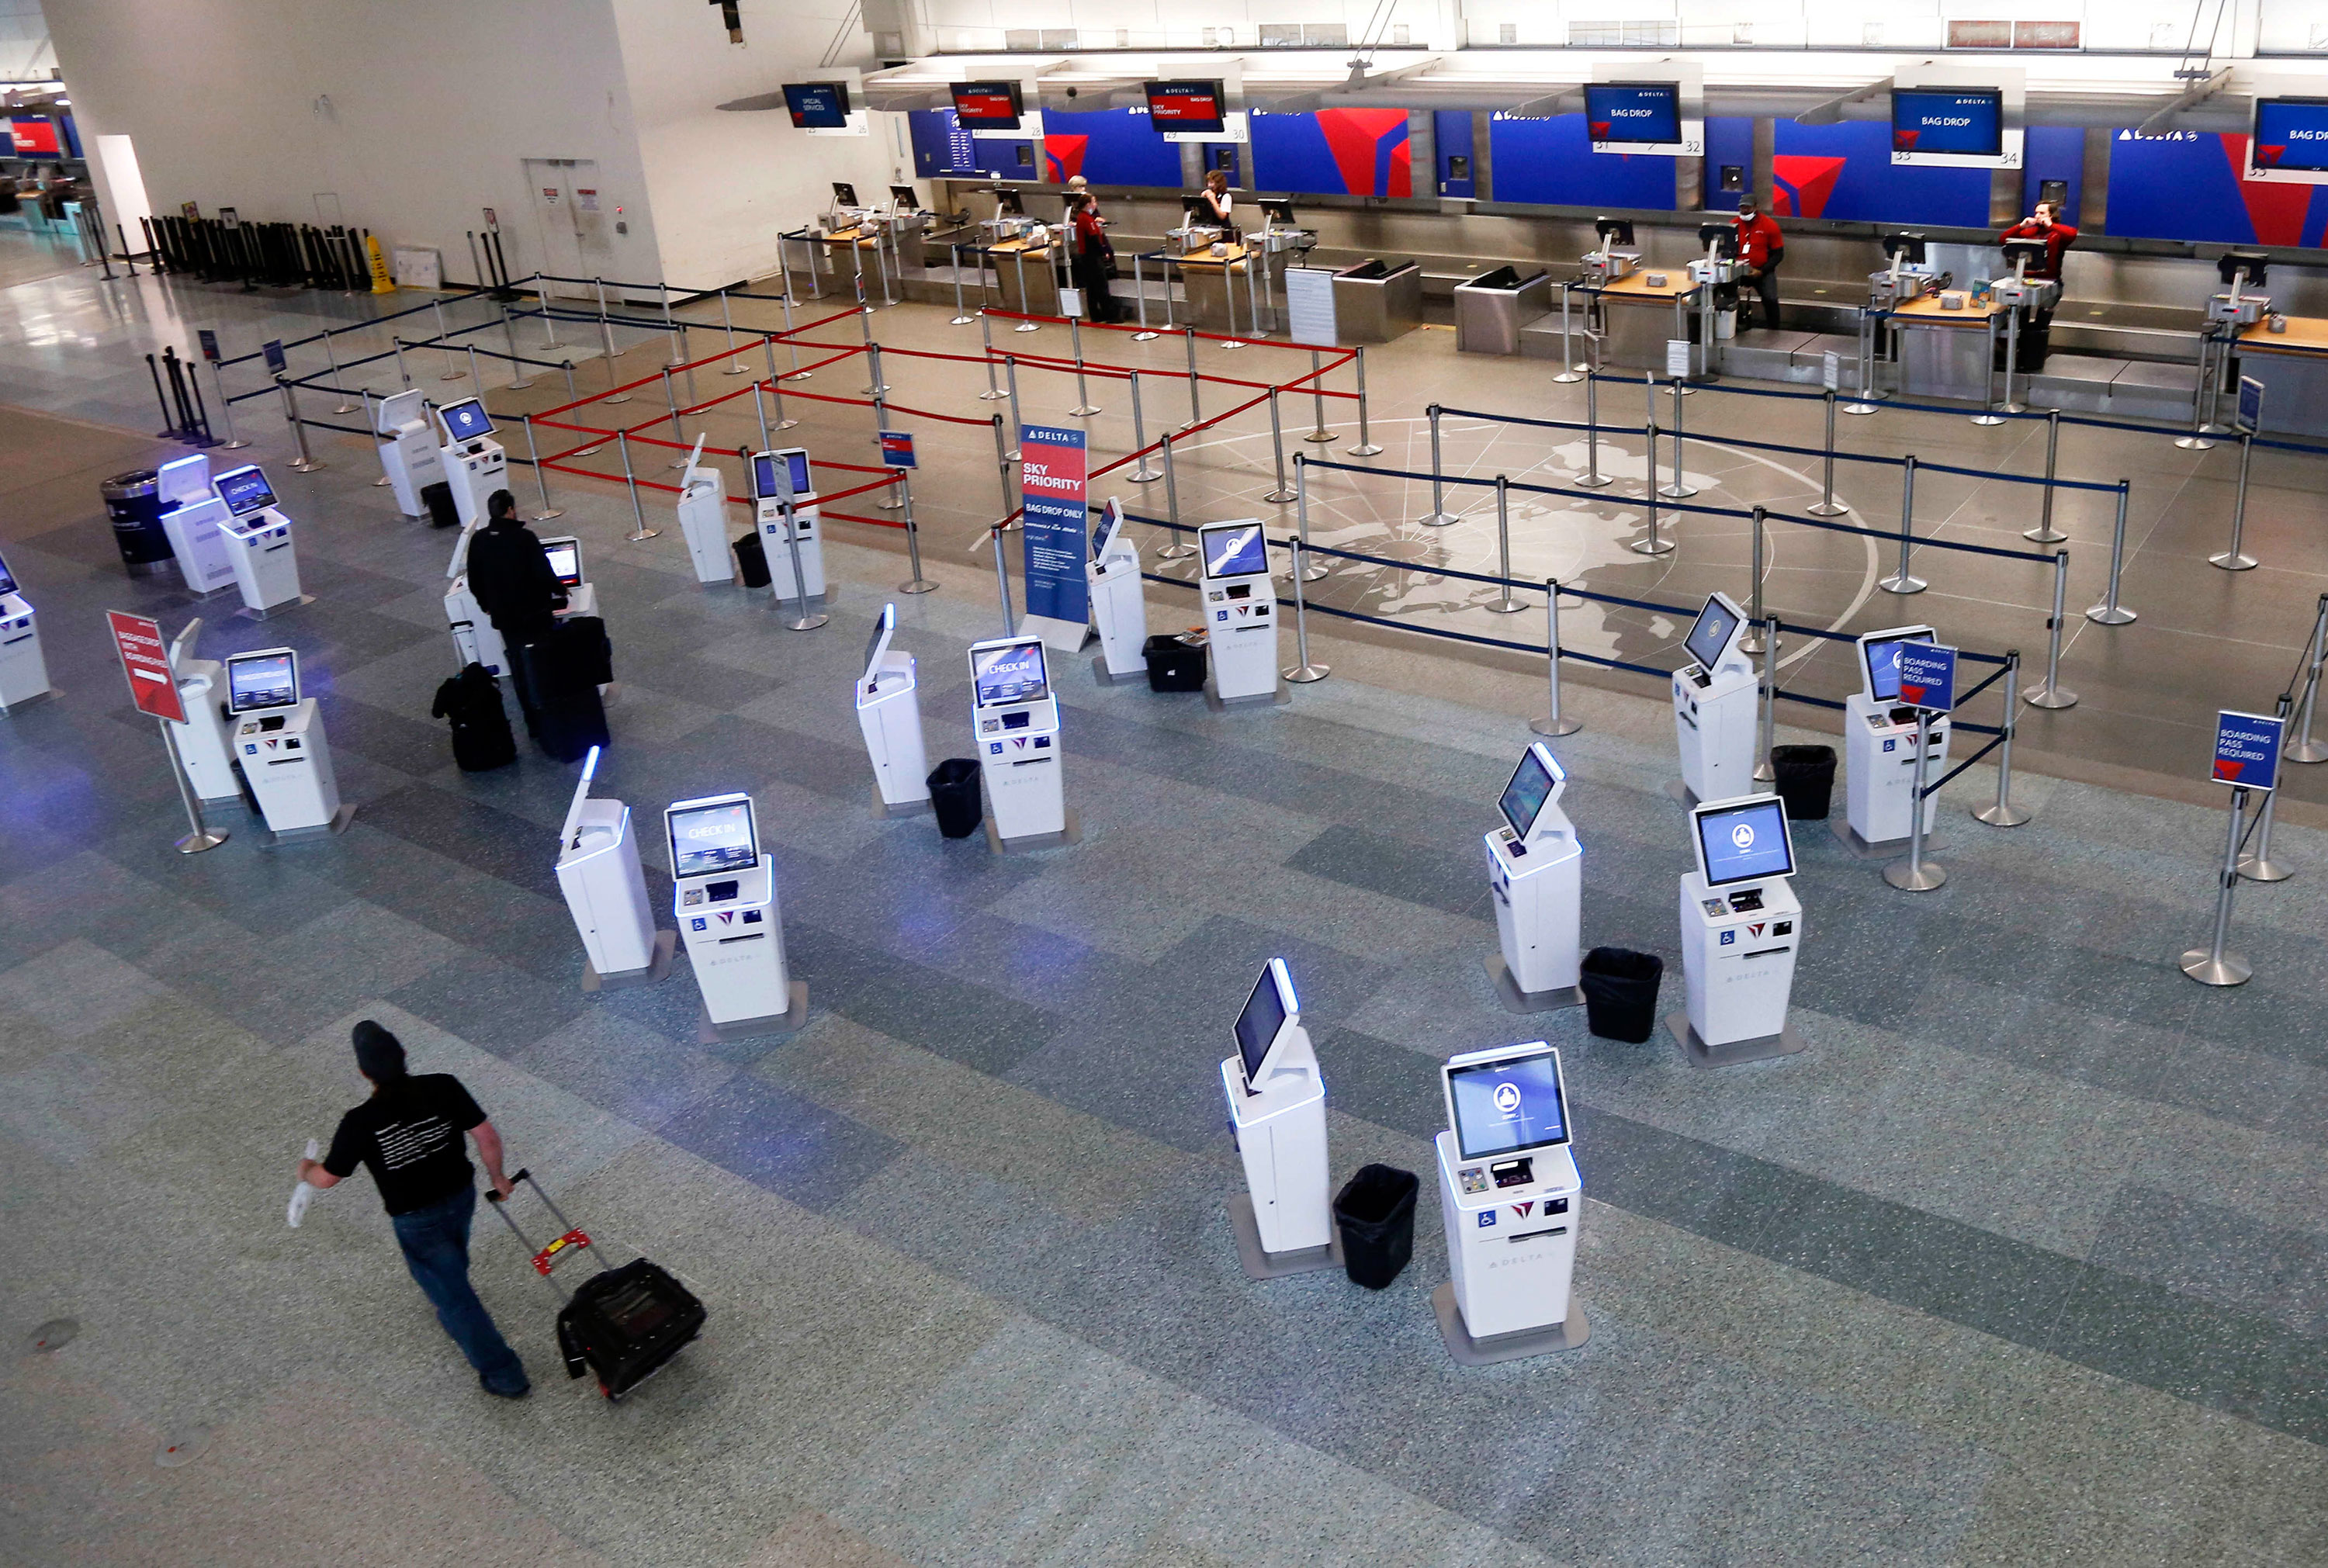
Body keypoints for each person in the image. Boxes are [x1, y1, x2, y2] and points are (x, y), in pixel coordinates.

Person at [297, 1022, 530, 1399]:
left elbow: (326, 1179)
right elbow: (486, 1136)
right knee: (452, 1258)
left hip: (415, 1218)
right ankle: (452, 1289)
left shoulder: (360, 1122)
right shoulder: (444, 1085)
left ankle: (504, 1374)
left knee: (455, 1299)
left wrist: (305, 1170)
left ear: (363, 1072)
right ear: (404, 1055)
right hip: (460, 1195)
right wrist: (499, 1178)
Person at [1997, 199, 2077, 372]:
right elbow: (2003, 239)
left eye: (2041, 213)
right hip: (2027, 281)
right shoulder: (2030, 232)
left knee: (2042, 320)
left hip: (2050, 281)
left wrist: (2051, 225)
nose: (2037, 216)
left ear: (2051, 215)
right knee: (2021, 318)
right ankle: (2019, 355)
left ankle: (2034, 355)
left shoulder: (2058, 234)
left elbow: (2072, 234)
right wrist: (2021, 226)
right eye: (2036, 213)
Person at [1731, 192, 1785, 334]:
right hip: (1739, 270)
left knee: (1771, 299)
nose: (1745, 211)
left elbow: (1778, 254)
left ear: (1756, 207)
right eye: (1742, 208)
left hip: (1762, 270)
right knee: (1725, 292)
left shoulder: (1769, 225)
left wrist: (1762, 271)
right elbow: (1727, 251)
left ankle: (1774, 331)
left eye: (1748, 208)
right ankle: (1736, 324)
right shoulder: (1733, 225)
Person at [1068, 192, 1117, 324]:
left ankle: (1095, 315)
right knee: (1101, 286)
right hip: (1092, 257)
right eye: (1094, 202)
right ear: (1088, 204)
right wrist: (1103, 252)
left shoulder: (1083, 218)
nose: (1096, 205)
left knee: (1092, 288)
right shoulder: (1087, 219)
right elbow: (1093, 239)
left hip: (1086, 257)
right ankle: (1110, 315)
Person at [1197, 168, 1235, 234]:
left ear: (1219, 183)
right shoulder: (1209, 194)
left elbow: (1222, 216)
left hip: (1223, 231)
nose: (1209, 185)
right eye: (1208, 182)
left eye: (1211, 183)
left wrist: (1213, 200)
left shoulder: (1226, 196)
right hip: (1210, 229)